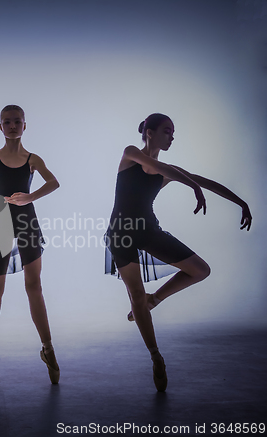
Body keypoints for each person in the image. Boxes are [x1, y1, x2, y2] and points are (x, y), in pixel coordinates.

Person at [105, 113, 252, 391]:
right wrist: (191, 185)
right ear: (149, 132)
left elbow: (205, 181)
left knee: (200, 270)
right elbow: (181, 176)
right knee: (134, 294)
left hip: (149, 231)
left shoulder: (166, 171)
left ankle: (155, 299)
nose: (172, 136)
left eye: (173, 133)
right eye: (166, 131)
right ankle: (156, 357)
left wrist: (240, 201)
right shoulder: (131, 154)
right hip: (121, 233)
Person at [0, 61, 61, 384]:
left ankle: (47, 348)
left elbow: (53, 182)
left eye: (17, 121)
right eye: (7, 121)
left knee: (34, 286)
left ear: (24, 126)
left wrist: (29, 198)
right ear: (0, 127)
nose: (12, 125)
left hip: (28, 223)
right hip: (0, 224)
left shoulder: (34, 159)